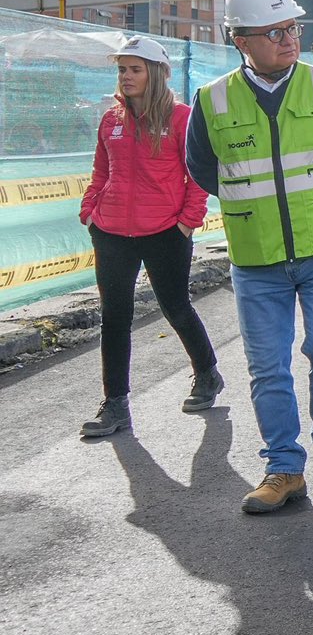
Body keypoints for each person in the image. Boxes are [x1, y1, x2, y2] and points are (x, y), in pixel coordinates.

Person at [186, 0, 313, 514]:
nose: (288, 39)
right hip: (256, 255)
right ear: (241, 40)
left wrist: (310, 209)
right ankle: (284, 467)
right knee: (267, 365)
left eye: (292, 27)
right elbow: (202, 169)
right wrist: (257, 208)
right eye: (273, 32)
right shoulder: (212, 99)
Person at [78, 34, 219, 439]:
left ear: (156, 73)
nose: (125, 77)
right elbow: (101, 172)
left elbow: (198, 176)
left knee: (175, 308)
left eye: (134, 69)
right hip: (111, 231)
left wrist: (187, 221)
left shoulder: (181, 118)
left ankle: (207, 374)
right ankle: (116, 404)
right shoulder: (111, 119)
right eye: (122, 69)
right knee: (114, 318)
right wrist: (90, 212)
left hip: (165, 231)